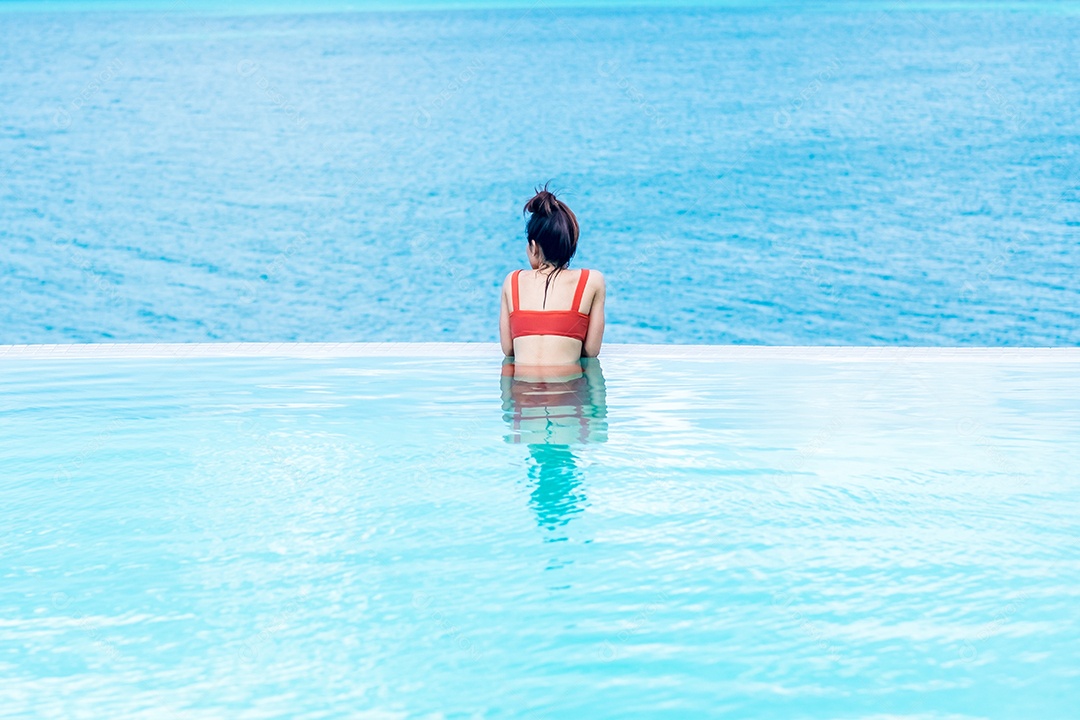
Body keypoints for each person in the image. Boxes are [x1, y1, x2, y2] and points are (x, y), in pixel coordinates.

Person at [499, 184, 605, 376]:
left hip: (523, 400)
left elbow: (508, 349)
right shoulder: (591, 280)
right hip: (569, 401)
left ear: (533, 246)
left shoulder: (512, 281)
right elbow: (591, 352)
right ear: (570, 244)